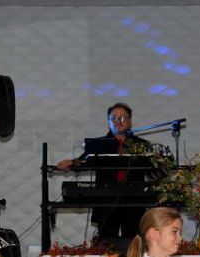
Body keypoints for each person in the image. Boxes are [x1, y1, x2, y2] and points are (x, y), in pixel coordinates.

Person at [56, 103, 153, 245]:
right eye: (114, 118)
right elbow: (83, 161)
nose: (118, 121)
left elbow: (153, 171)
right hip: (106, 203)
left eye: (122, 118)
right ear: (108, 122)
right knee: (105, 248)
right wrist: (70, 162)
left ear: (130, 121)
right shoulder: (99, 144)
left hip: (134, 203)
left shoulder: (142, 145)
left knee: (134, 247)